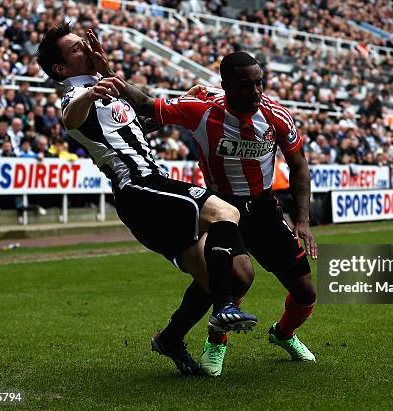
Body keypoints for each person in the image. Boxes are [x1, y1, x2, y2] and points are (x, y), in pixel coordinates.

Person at [36, 23, 257, 376]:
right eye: (77, 48)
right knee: (225, 211)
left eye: (86, 42)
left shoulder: (106, 87)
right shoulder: (76, 92)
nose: (87, 47)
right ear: (61, 69)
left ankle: (171, 337)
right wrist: (91, 93)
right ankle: (224, 308)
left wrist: (183, 96)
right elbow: (69, 118)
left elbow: (142, 120)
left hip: (149, 192)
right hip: (139, 187)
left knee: (237, 275)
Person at [96, 46, 318, 376]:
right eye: (247, 84)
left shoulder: (277, 115)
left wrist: (302, 220)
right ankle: (216, 341)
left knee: (305, 293)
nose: (256, 91)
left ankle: (284, 333)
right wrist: (109, 72)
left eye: (260, 83)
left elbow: (299, 165)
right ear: (226, 84)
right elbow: (145, 106)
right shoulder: (201, 109)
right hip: (223, 210)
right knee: (236, 278)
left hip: (264, 208)